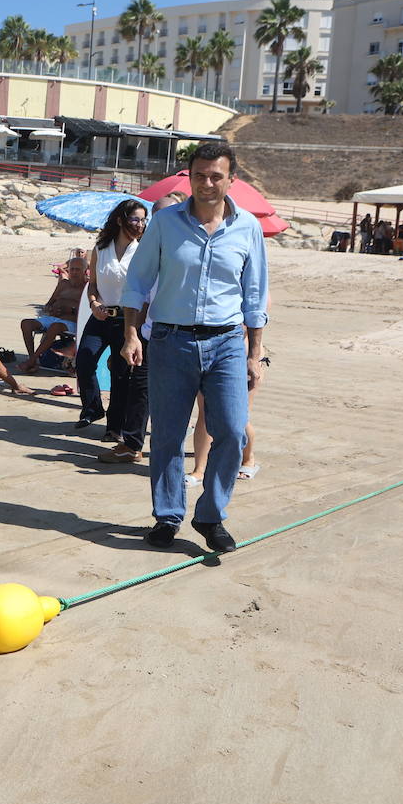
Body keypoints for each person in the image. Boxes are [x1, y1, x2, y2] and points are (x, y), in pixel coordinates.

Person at [120, 141, 267, 553]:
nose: (207, 183)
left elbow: (255, 295)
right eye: (199, 175)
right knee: (167, 435)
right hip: (170, 340)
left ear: (230, 179)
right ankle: (167, 517)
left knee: (233, 432)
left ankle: (209, 516)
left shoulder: (248, 228)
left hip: (226, 343)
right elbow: (137, 282)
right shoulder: (165, 223)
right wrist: (132, 334)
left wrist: (255, 354)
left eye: (216, 176)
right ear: (190, 176)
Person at [74, 199, 148, 442]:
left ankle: (114, 428)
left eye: (143, 219)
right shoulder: (100, 249)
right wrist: (94, 303)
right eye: (135, 219)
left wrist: (136, 328)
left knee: (120, 374)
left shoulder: (143, 251)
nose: (140, 224)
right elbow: (92, 284)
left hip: (127, 320)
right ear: (120, 220)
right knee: (84, 359)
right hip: (100, 316)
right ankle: (93, 407)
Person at [21, 256, 87, 372]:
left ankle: (31, 361)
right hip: (54, 318)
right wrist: (50, 309)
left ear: (85, 271)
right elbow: (48, 304)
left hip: (72, 322)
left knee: (54, 327)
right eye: (72, 269)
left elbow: (86, 311)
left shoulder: (87, 288)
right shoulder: (63, 284)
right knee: (26, 323)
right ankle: (33, 358)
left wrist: (71, 310)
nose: (74, 272)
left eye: (78, 270)